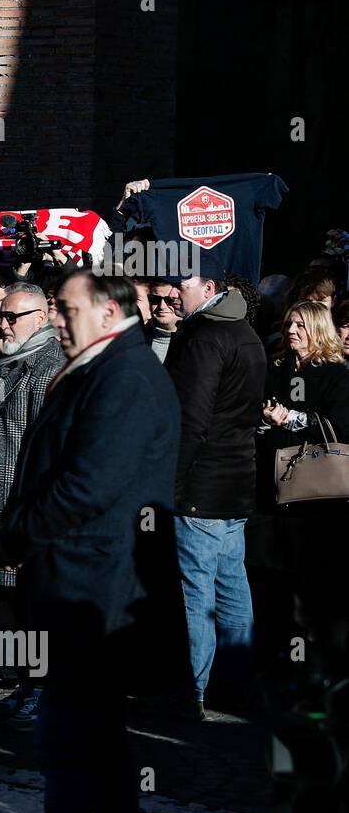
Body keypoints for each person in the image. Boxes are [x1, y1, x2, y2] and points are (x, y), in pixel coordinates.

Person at [0, 271, 179, 813]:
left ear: (109, 315)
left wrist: (18, 533)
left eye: (67, 311)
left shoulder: (126, 377)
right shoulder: (97, 370)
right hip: (74, 581)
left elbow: (89, 486)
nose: (55, 320)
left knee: (72, 741)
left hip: (95, 587)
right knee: (89, 741)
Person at [163, 271, 266, 717]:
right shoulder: (245, 334)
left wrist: (172, 482)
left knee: (198, 592)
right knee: (231, 586)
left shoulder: (205, 337)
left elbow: (191, 419)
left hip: (202, 484)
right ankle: (233, 686)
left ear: (208, 290)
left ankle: (195, 690)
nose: (171, 294)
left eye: (180, 287)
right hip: (235, 480)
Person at [0, 284, 65, 719]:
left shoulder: (49, 368)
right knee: (13, 604)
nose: (2, 324)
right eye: (0, 316)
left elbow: (51, 452)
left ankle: (44, 691)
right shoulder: (10, 362)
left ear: (41, 318)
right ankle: (26, 684)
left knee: (36, 606)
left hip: (21, 503)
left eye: (12, 318)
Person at [249, 301, 349, 672]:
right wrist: (264, 421)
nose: (292, 331)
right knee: (266, 580)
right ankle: (272, 660)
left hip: (314, 500)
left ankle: (313, 667)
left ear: (319, 330)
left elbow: (339, 428)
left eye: (301, 326)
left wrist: (290, 418)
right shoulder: (276, 369)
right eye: (290, 324)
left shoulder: (336, 376)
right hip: (269, 494)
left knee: (310, 588)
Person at [146, 280, 181, 362]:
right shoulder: (137, 339)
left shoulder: (195, 341)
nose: (162, 306)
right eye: (155, 299)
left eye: (170, 300)